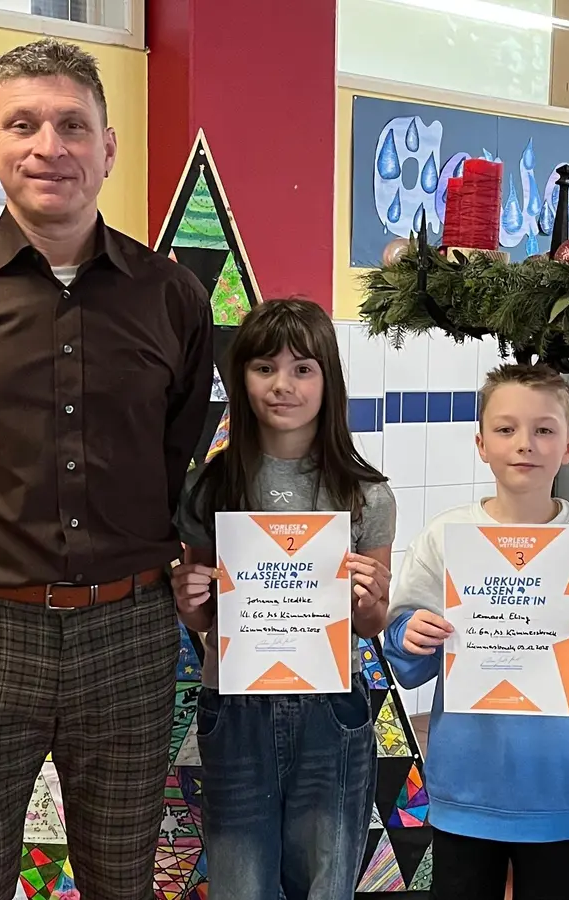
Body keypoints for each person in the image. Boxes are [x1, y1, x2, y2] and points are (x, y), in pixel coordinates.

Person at [0, 38, 213, 900]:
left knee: (122, 880)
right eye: (22, 124)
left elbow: (175, 451)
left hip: (128, 635)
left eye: (71, 125)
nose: (47, 147)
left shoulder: (172, 298)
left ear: (107, 147)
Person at [381, 363, 569, 900]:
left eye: (544, 430)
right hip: (466, 786)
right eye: (506, 429)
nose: (525, 444)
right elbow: (406, 659)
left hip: (563, 788)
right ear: (481, 444)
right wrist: (411, 634)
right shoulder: (445, 538)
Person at [169, 298, 396, 900]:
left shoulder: (365, 494)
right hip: (236, 705)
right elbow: (199, 615)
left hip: (332, 705)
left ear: (328, 380)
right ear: (241, 377)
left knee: (326, 883)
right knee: (241, 882)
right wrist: (188, 597)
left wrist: (371, 597)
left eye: (303, 369)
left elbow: (372, 622)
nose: (283, 386)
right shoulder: (209, 488)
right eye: (265, 368)